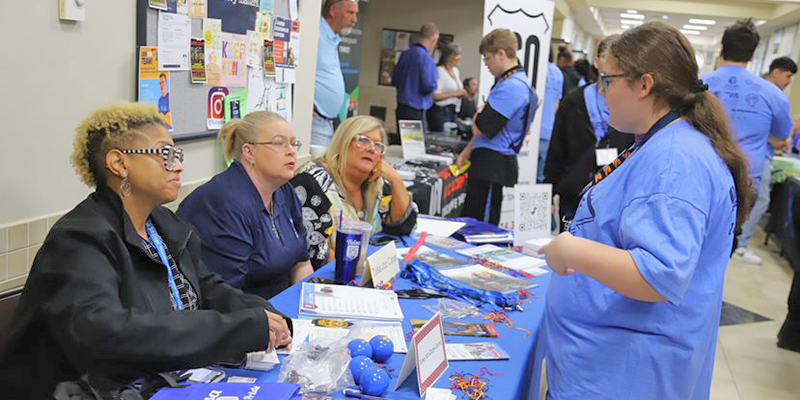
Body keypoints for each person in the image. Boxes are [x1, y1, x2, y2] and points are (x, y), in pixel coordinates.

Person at [0, 103, 292, 398]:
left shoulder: (162, 222)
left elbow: (205, 286)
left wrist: (262, 314)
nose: (178, 165)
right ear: (119, 163)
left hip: (151, 381)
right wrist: (236, 328)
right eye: (165, 154)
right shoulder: (79, 239)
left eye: (177, 155)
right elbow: (107, 334)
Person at [541, 22, 753, 399]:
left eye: (607, 81)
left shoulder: (675, 160)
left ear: (644, 84)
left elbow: (658, 275)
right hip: (609, 362)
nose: (601, 94)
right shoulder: (660, 143)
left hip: (625, 373)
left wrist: (571, 249)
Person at [178, 112, 313, 299]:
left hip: (280, 304)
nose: (291, 151)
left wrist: (311, 307)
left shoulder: (285, 191)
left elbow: (302, 263)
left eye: (293, 143)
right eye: (279, 143)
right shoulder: (223, 203)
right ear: (249, 152)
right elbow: (227, 296)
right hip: (243, 313)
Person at [703, 19, 793, 264]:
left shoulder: (699, 85)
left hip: (701, 171)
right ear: (753, 54)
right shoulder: (772, 93)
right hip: (746, 179)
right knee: (726, 239)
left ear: (722, 49)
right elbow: (782, 133)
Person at [292, 116, 417, 268]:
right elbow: (314, 252)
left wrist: (397, 180)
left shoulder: (375, 181)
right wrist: (362, 269)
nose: (371, 148)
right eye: (363, 140)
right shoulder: (313, 181)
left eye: (378, 145)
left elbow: (401, 227)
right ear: (343, 142)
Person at [544, 35, 634, 226]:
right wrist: (551, 189)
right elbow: (557, 147)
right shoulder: (574, 100)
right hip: (574, 190)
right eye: (608, 57)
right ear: (596, 61)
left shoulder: (629, 104)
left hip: (613, 195)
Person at [457, 29, 538, 225]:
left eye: (487, 58)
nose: (486, 65)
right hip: (487, 160)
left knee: (480, 227)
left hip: (493, 164)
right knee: (472, 219)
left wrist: (479, 113)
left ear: (501, 54)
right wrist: (466, 151)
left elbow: (480, 127)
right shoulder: (508, 82)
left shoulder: (513, 86)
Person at [311, 0, 359, 147]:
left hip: (328, 122)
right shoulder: (315, 33)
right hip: (314, 120)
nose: (354, 20)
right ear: (333, 10)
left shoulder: (332, 38)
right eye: (350, 13)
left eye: (356, 14)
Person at [392, 22, 439, 132]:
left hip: (401, 106)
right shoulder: (426, 57)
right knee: (414, 145)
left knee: (401, 142)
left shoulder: (405, 54)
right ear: (434, 40)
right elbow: (428, 85)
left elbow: (394, 79)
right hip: (416, 109)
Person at [537, 52, 564, 183]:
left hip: (533, 129)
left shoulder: (537, 68)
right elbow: (557, 104)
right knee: (541, 175)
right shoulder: (558, 73)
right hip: (548, 128)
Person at [429, 43, 467, 131]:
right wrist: (455, 93)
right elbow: (435, 95)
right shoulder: (439, 71)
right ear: (451, 57)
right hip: (441, 111)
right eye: (458, 55)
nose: (460, 57)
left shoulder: (456, 71)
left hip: (453, 111)